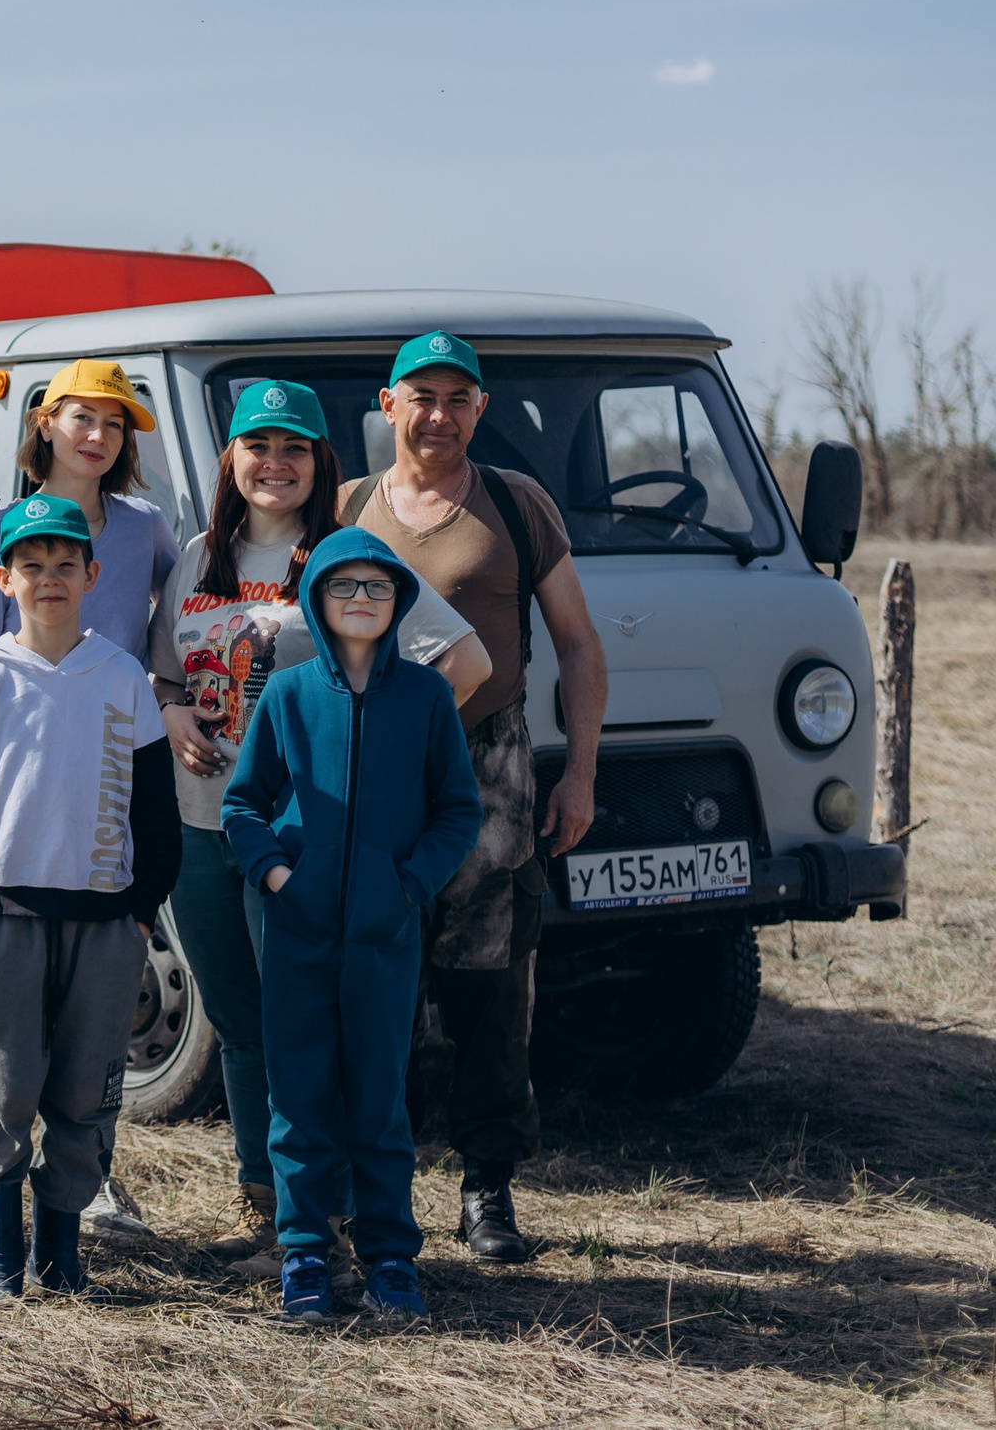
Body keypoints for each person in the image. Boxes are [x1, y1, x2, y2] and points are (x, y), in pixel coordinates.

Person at [148, 381, 487, 1272]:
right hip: (201, 823)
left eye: (294, 447)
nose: (274, 462)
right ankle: (269, 1209)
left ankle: (330, 1221)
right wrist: (175, 711)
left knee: (316, 1026)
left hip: (306, 843)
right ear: (231, 460)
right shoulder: (197, 558)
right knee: (238, 1018)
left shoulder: (345, 556)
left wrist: (378, 754)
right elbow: (166, 676)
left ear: (320, 462)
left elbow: (465, 659)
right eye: (256, 445)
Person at [338, 330, 606, 1263]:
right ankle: (383, 1190)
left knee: (492, 984)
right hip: (375, 774)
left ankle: (488, 1189)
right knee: (382, 980)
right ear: (389, 404)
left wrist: (579, 771)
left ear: (479, 408)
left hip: (491, 769)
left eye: (458, 397)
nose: (439, 414)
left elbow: (576, 642)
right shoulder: (346, 510)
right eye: (422, 395)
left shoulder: (516, 506)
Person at [0, 358, 180, 1274]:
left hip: (102, 870)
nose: (98, 435)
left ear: (90, 568)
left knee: (85, 1074)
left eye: (116, 422)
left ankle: (67, 1229)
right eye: (83, 417)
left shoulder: (149, 534)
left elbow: (166, 645)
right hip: (10, 875)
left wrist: (144, 900)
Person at [222, 530, 484, 1323]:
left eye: (377, 587)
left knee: (378, 1101)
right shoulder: (291, 694)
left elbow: (457, 811)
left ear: (399, 599)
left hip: (384, 936)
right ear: (318, 601)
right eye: (345, 588)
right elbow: (242, 803)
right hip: (299, 933)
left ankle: (390, 1259)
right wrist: (277, 875)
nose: (362, 601)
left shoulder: (426, 697)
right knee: (298, 1100)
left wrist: (406, 884)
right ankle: (304, 1254)